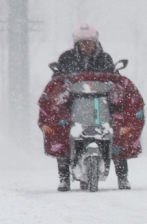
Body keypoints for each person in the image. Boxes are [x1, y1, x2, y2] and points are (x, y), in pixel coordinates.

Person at [49, 23, 131, 192]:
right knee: (61, 134)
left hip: (101, 105)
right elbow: (57, 81)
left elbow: (115, 79)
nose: (87, 46)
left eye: (90, 42)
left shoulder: (105, 59)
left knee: (119, 133)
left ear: (96, 42)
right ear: (76, 44)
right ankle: (64, 178)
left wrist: (115, 86)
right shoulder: (66, 58)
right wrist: (62, 86)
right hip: (74, 106)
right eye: (83, 43)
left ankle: (123, 177)